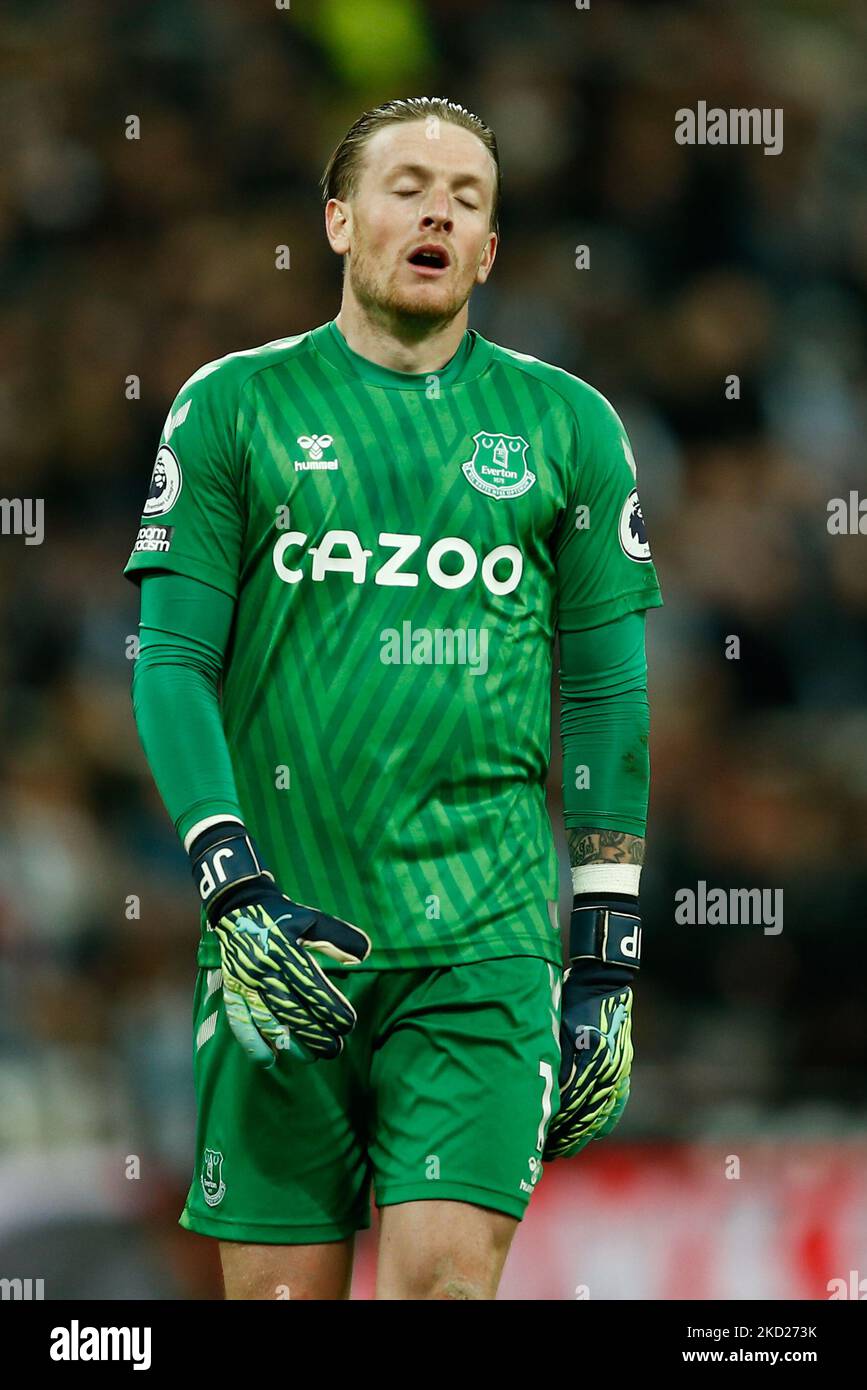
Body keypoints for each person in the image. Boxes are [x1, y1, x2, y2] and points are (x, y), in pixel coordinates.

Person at [125, 96, 662, 1300]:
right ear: (338, 220)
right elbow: (169, 664)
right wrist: (229, 884)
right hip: (279, 941)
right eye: (408, 184)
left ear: (487, 252)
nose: (438, 209)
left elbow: (611, 700)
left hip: (483, 943)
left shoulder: (568, 426)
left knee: (440, 1287)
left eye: (468, 198)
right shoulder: (232, 408)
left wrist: (608, 950)